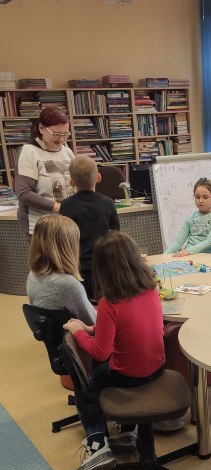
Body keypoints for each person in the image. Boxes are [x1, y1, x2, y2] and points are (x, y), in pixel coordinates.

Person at [63, 230, 166, 470]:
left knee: (86, 390)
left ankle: (98, 447)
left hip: (129, 374)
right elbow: (129, 326)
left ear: (102, 268)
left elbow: (101, 352)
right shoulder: (150, 288)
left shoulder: (110, 302)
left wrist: (78, 331)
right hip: (158, 368)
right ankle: (127, 431)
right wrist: (93, 329)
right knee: (108, 369)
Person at [59, 156, 120, 299]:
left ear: (71, 182)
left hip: (76, 270)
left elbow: (63, 239)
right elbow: (116, 237)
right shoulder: (108, 203)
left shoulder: (66, 205)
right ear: (98, 177)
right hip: (104, 269)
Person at [15, 107, 75, 239]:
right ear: (42, 128)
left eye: (65, 134)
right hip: (41, 226)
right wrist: (59, 207)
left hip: (67, 224)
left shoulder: (67, 151)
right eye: (56, 134)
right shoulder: (29, 152)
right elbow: (23, 193)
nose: (62, 140)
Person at [27, 213, 96, 325]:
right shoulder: (67, 285)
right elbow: (93, 322)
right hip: (74, 334)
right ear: (67, 247)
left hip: (56, 333)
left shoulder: (32, 275)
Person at [164, 177, 211, 256]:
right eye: (197, 197)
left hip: (210, 256)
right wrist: (164, 256)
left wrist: (188, 251)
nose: (200, 201)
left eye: (205, 197)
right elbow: (178, 242)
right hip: (190, 257)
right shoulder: (190, 218)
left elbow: (209, 242)